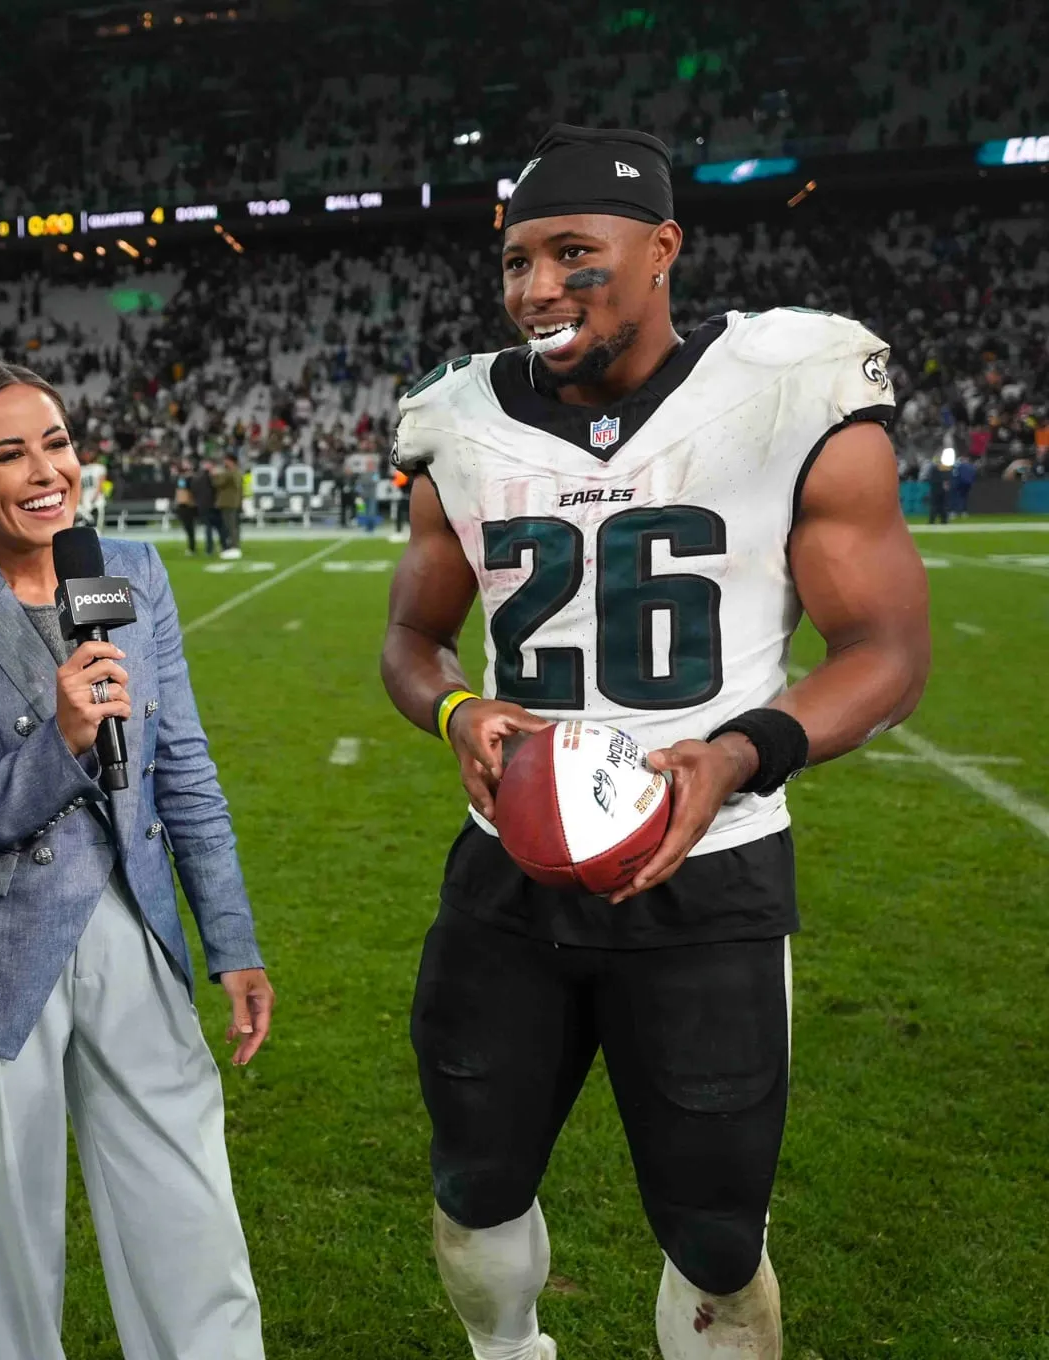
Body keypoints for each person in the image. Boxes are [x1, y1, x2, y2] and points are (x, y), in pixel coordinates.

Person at [380, 124, 930, 1360]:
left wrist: (737, 752)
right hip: (505, 870)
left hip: (712, 872)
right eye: (517, 260)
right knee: (472, 1185)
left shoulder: (792, 384)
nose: (535, 288)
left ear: (664, 248)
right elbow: (412, 639)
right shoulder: (457, 421)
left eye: (574, 252)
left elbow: (887, 651)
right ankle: (508, 1351)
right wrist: (459, 711)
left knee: (718, 1238)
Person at [0, 359, 273, 1360]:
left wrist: (231, 937)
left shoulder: (130, 570)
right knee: (12, 1264)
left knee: (193, 1224)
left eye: (55, 441)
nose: (47, 469)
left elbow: (181, 766)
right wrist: (56, 744)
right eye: (10, 453)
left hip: (134, 932)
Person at [213, 453, 243, 560]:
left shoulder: (230, 473)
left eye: (226, 460)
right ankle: (234, 546)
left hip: (228, 502)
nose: (225, 463)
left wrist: (216, 474)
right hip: (234, 502)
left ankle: (234, 547)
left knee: (230, 526)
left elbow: (218, 483)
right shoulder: (237, 472)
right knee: (233, 526)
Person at [194, 455, 219, 554]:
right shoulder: (211, 477)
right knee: (218, 528)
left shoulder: (197, 477)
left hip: (203, 505)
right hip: (212, 505)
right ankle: (218, 547)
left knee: (208, 528)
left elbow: (194, 490)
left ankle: (210, 549)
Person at [173, 458, 199, 553]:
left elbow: (184, 491)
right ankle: (192, 546)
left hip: (188, 505)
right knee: (188, 528)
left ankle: (192, 547)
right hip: (184, 505)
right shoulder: (182, 478)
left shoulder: (190, 478)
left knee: (190, 528)